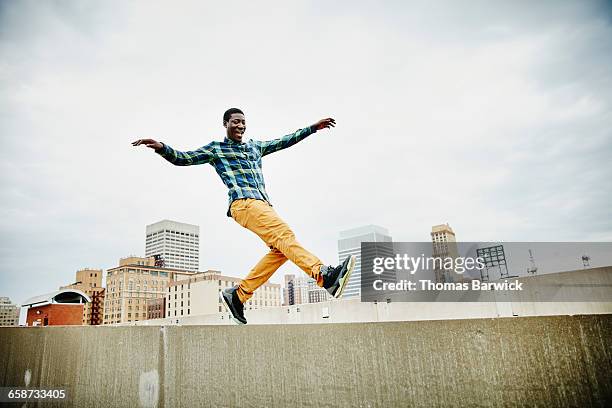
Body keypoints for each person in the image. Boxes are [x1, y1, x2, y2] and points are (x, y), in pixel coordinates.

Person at [132, 108, 355, 324]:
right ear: (226, 124)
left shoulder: (255, 147)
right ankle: (324, 276)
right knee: (285, 235)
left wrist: (312, 128)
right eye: (235, 122)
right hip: (244, 204)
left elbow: (285, 141)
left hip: (263, 205)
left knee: (282, 250)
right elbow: (183, 158)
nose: (240, 125)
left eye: (243, 122)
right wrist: (161, 148)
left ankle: (238, 296)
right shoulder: (216, 149)